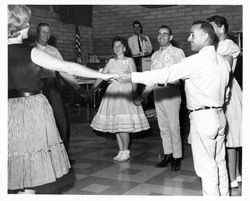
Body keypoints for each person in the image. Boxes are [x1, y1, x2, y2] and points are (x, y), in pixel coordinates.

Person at [8, 5, 114, 194]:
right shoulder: (31, 52)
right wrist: (105, 76)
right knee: (32, 163)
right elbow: (70, 68)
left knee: (13, 158)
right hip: (30, 109)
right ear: (23, 26)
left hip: (8, 109)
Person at [117, 20, 231, 196]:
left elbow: (165, 74)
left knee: (206, 169)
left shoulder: (195, 61)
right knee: (220, 164)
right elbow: (227, 93)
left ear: (206, 37)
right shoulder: (223, 62)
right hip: (219, 116)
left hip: (203, 119)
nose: (189, 38)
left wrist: (132, 76)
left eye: (192, 34)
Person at [90, 36, 150, 162]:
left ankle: (126, 150)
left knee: (124, 125)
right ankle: (121, 150)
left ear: (124, 48)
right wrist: (91, 89)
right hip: (113, 92)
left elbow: (134, 78)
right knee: (116, 124)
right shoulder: (111, 61)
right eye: (115, 46)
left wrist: (134, 93)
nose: (117, 48)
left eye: (119, 46)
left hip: (125, 92)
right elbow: (101, 76)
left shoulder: (129, 60)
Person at [135, 25, 185, 170]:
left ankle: (177, 157)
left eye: (165, 34)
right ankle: (168, 154)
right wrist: (143, 95)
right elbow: (151, 78)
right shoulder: (155, 55)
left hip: (171, 91)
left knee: (174, 126)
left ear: (171, 37)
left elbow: (183, 73)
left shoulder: (178, 52)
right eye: (159, 34)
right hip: (158, 92)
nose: (161, 37)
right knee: (163, 126)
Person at [35, 22, 84, 160]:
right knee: (41, 123)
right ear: (37, 32)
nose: (46, 35)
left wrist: (78, 88)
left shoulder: (53, 51)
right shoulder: (31, 49)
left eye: (48, 32)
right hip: (35, 89)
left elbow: (64, 71)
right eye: (43, 32)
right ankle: (42, 157)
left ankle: (63, 155)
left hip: (51, 87)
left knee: (62, 120)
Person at [207, 15, 242, 189]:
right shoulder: (216, 46)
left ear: (221, 29)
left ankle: (232, 177)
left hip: (227, 91)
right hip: (220, 89)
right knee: (229, 138)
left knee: (230, 138)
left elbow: (225, 72)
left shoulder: (227, 45)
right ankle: (236, 174)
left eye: (212, 27)